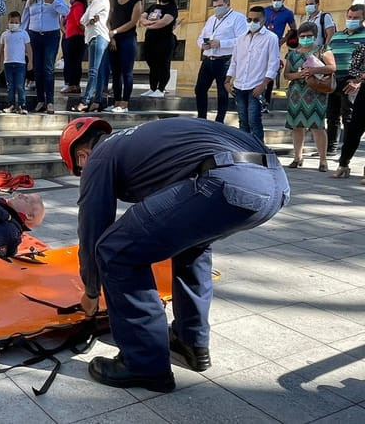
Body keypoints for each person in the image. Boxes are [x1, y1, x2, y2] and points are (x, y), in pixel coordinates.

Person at [58, 116, 289, 392]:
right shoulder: (140, 139)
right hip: (275, 182)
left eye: (79, 170)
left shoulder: (100, 157)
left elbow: (93, 228)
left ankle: (144, 364)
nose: (84, 173)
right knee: (192, 246)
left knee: (115, 251)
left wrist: (91, 290)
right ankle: (190, 342)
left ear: (82, 155)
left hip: (227, 179)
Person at [283, 22, 336, 172]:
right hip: (296, 93)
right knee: (296, 126)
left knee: (317, 126)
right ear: (298, 36)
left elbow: (332, 67)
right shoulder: (292, 53)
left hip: (316, 92)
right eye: (303, 36)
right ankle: (297, 157)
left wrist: (313, 70)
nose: (306, 38)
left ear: (315, 36)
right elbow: (286, 75)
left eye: (309, 36)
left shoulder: (323, 49)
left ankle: (323, 160)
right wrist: (299, 74)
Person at [225, 6, 281, 142]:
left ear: (263, 20)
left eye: (256, 20)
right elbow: (235, 61)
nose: (252, 22)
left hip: (256, 87)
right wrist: (227, 81)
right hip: (239, 86)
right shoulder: (240, 39)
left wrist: (264, 84)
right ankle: (244, 149)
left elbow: (273, 63)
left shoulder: (271, 38)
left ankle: (259, 152)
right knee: (243, 121)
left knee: (254, 121)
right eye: (249, 19)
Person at [194, 0, 248, 122]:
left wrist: (222, 43)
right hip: (208, 59)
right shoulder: (211, 19)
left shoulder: (238, 18)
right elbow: (201, 36)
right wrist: (202, 44)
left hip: (224, 60)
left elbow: (242, 40)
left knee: (222, 92)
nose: (217, 8)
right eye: (215, 6)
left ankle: (219, 120)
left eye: (220, 6)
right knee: (200, 89)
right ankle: (202, 118)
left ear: (228, 4)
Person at [22, 0, 70, 114]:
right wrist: (22, 38)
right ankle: (40, 100)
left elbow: (66, 11)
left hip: (51, 36)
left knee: (48, 68)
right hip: (34, 36)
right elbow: (25, 19)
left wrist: (53, 2)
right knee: (37, 69)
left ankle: (50, 101)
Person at [330, 5, 365, 179]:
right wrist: (360, 78)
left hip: (358, 85)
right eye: (349, 17)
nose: (351, 20)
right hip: (360, 88)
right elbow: (355, 66)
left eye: (355, 17)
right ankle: (344, 163)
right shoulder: (361, 46)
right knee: (354, 129)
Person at [72, 0, 113, 113]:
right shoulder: (97, 0)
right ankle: (97, 101)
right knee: (99, 70)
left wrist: (89, 19)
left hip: (97, 36)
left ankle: (86, 100)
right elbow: (84, 19)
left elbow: (86, 18)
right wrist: (88, 19)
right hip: (96, 36)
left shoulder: (100, 0)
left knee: (93, 70)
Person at [107, 0, 143, 113]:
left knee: (127, 72)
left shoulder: (136, 1)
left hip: (127, 39)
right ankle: (116, 101)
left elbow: (133, 22)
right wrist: (111, 36)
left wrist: (115, 32)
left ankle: (124, 103)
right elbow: (108, 18)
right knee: (115, 72)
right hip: (113, 39)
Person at [261, 0, 297, 111]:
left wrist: (284, 39)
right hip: (261, 45)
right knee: (259, 71)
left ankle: (266, 102)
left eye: (279, 0)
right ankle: (258, 99)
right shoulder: (265, 11)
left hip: (275, 45)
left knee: (270, 72)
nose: (276, 2)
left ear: (283, 0)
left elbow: (293, 28)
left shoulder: (288, 13)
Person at [140, 0, 178, 98]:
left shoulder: (172, 8)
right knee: (153, 65)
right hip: (151, 40)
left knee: (163, 65)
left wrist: (149, 25)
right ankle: (152, 88)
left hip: (165, 40)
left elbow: (164, 22)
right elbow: (142, 17)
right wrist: (147, 22)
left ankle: (161, 89)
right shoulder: (152, 7)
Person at [0, 11, 33, 114]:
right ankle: (11, 104)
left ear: (20, 22)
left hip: (20, 64)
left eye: (16, 22)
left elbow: (29, 48)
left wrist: (30, 62)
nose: (14, 24)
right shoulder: (4, 35)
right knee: (10, 85)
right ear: (8, 22)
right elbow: (1, 50)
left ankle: (22, 105)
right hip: (8, 63)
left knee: (20, 85)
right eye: (12, 22)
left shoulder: (23, 34)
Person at [60, 0, 88, 95]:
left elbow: (79, 22)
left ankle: (73, 84)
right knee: (73, 62)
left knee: (73, 62)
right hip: (72, 36)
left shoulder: (78, 6)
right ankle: (74, 84)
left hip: (75, 37)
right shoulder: (76, 6)